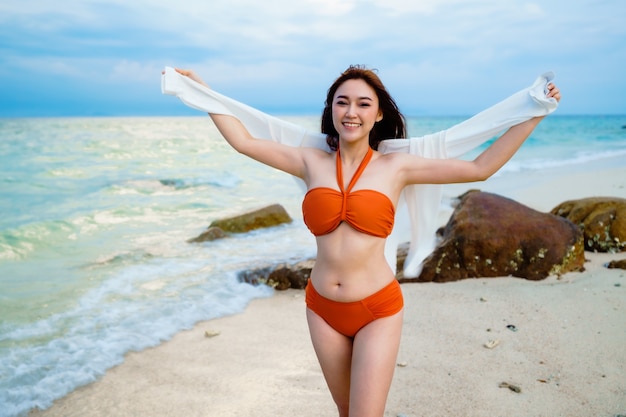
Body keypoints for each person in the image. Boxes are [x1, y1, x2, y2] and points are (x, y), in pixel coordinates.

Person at [170, 65, 561, 417]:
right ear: (332, 111)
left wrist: (534, 115)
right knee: (345, 410)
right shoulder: (310, 162)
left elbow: (481, 167)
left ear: (378, 114)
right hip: (321, 308)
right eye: (342, 102)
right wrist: (204, 93)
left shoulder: (397, 167)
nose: (351, 112)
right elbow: (243, 141)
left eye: (362, 103)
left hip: (377, 310)